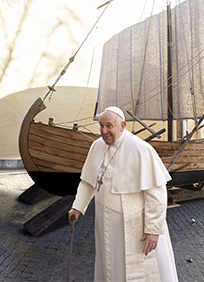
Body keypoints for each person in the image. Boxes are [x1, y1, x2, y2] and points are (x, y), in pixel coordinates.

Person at [68, 106, 178, 282]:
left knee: (135, 269)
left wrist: (152, 230)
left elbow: (156, 194)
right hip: (104, 222)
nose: (104, 131)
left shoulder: (141, 149)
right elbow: (88, 182)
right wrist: (78, 207)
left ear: (123, 125)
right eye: (101, 126)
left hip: (133, 225)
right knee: (109, 266)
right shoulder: (97, 146)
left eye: (109, 126)